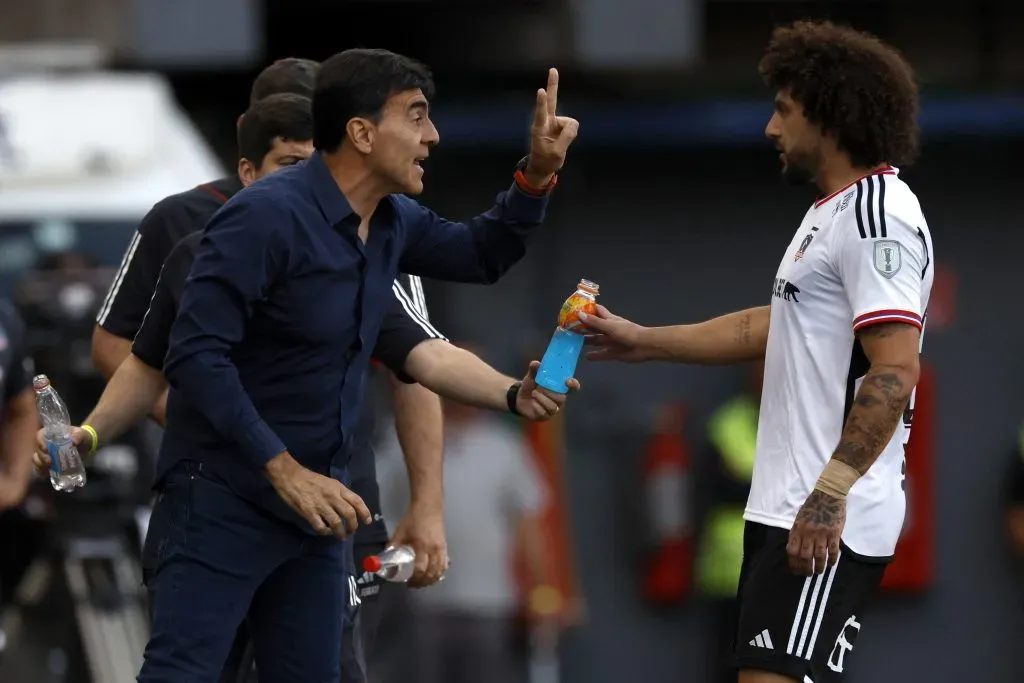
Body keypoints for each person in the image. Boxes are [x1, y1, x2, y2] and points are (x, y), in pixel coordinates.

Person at [136, 48, 578, 682]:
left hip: (319, 515)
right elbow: (195, 356)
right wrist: (284, 469)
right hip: (220, 504)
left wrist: (535, 176)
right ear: (362, 132)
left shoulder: (391, 220)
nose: (433, 137)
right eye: (417, 116)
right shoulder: (263, 216)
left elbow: (475, 266)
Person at [579, 20, 930, 683]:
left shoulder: (877, 217)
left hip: (827, 517)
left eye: (784, 110)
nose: (771, 128)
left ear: (830, 116)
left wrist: (829, 494)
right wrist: (643, 341)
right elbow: (768, 327)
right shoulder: (830, 213)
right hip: (786, 511)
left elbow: (895, 366)